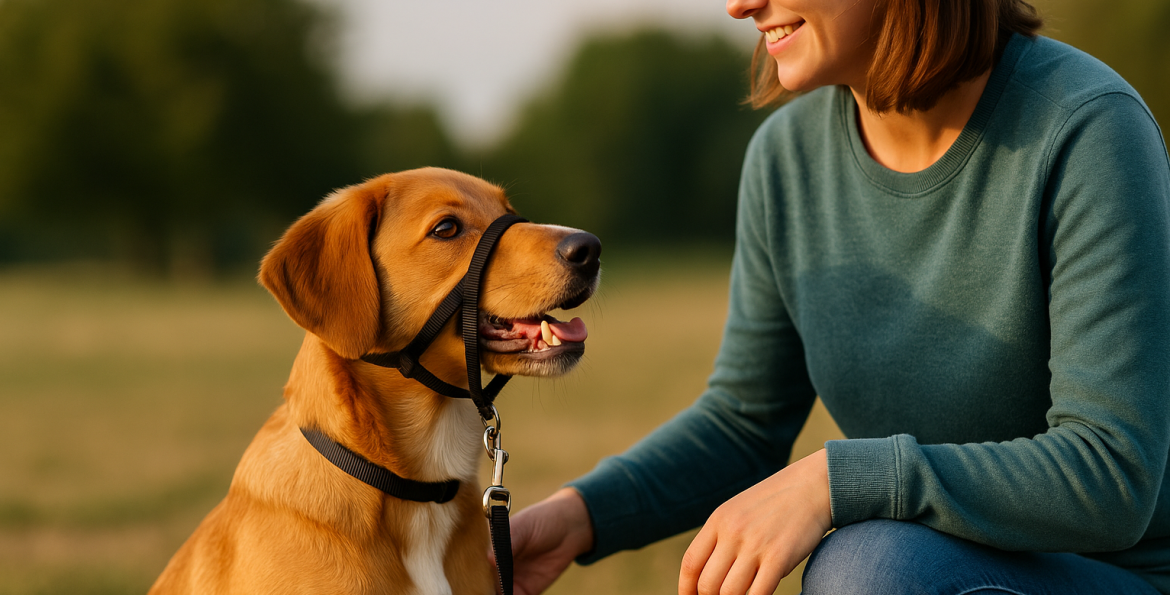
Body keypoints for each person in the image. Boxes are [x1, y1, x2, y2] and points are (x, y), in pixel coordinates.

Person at [508, 0, 1170, 593]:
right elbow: (744, 422)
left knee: (868, 568)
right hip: (929, 562)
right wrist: (577, 515)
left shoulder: (1087, 127)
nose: (740, 5)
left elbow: (1111, 470)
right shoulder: (784, 160)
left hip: (1114, 574)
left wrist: (836, 480)